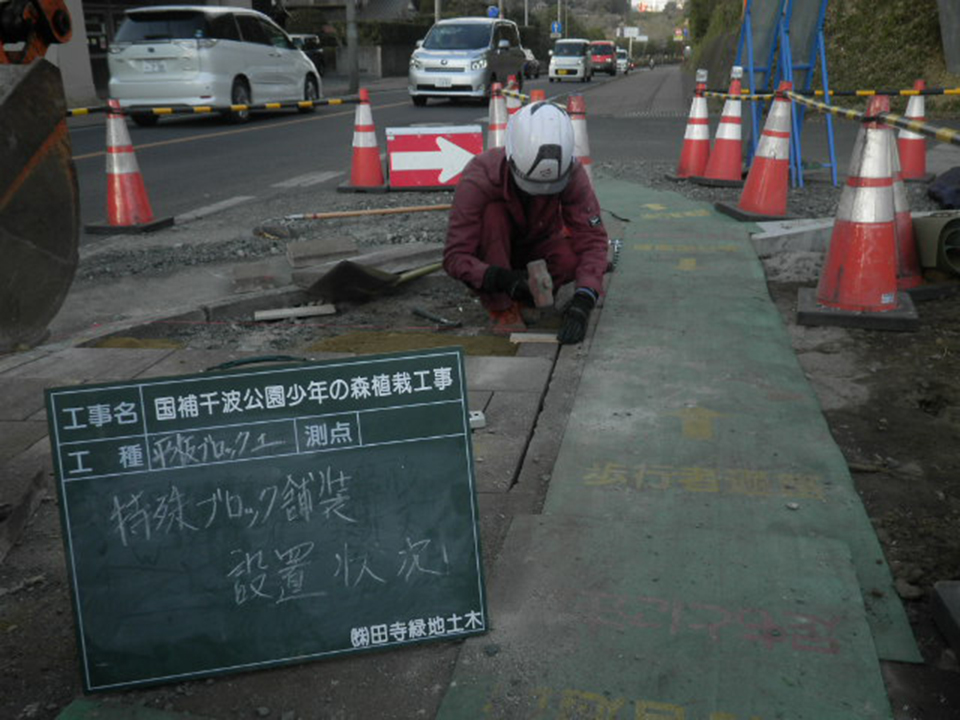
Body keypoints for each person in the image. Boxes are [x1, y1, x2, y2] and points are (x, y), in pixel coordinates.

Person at [443, 101, 609, 344]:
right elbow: (454, 257)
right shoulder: (479, 177)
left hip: (539, 243)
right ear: (511, 159)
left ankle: (529, 297)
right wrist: (500, 279)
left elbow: (592, 240)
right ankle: (502, 307)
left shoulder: (571, 172)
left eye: (549, 189)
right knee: (493, 215)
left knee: (568, 257)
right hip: (494, 251)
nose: (540, 193)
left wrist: (584, 300)